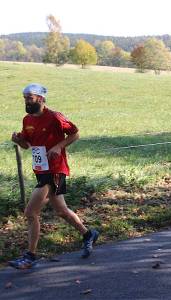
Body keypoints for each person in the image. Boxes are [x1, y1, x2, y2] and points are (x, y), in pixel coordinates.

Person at [10, 83, 99, 269]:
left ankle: (30, 256)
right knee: (61, 211)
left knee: (30, 212)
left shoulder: (55, 117)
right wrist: (19, 140)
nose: (26, 101)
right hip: (41, 169)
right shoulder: (27, 120)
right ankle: (88, 234)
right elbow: (28, 145)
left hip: (55, 170)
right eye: (25, 97)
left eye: (30, 97)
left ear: (41, 99)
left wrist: (59, 146)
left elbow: (75, 133)